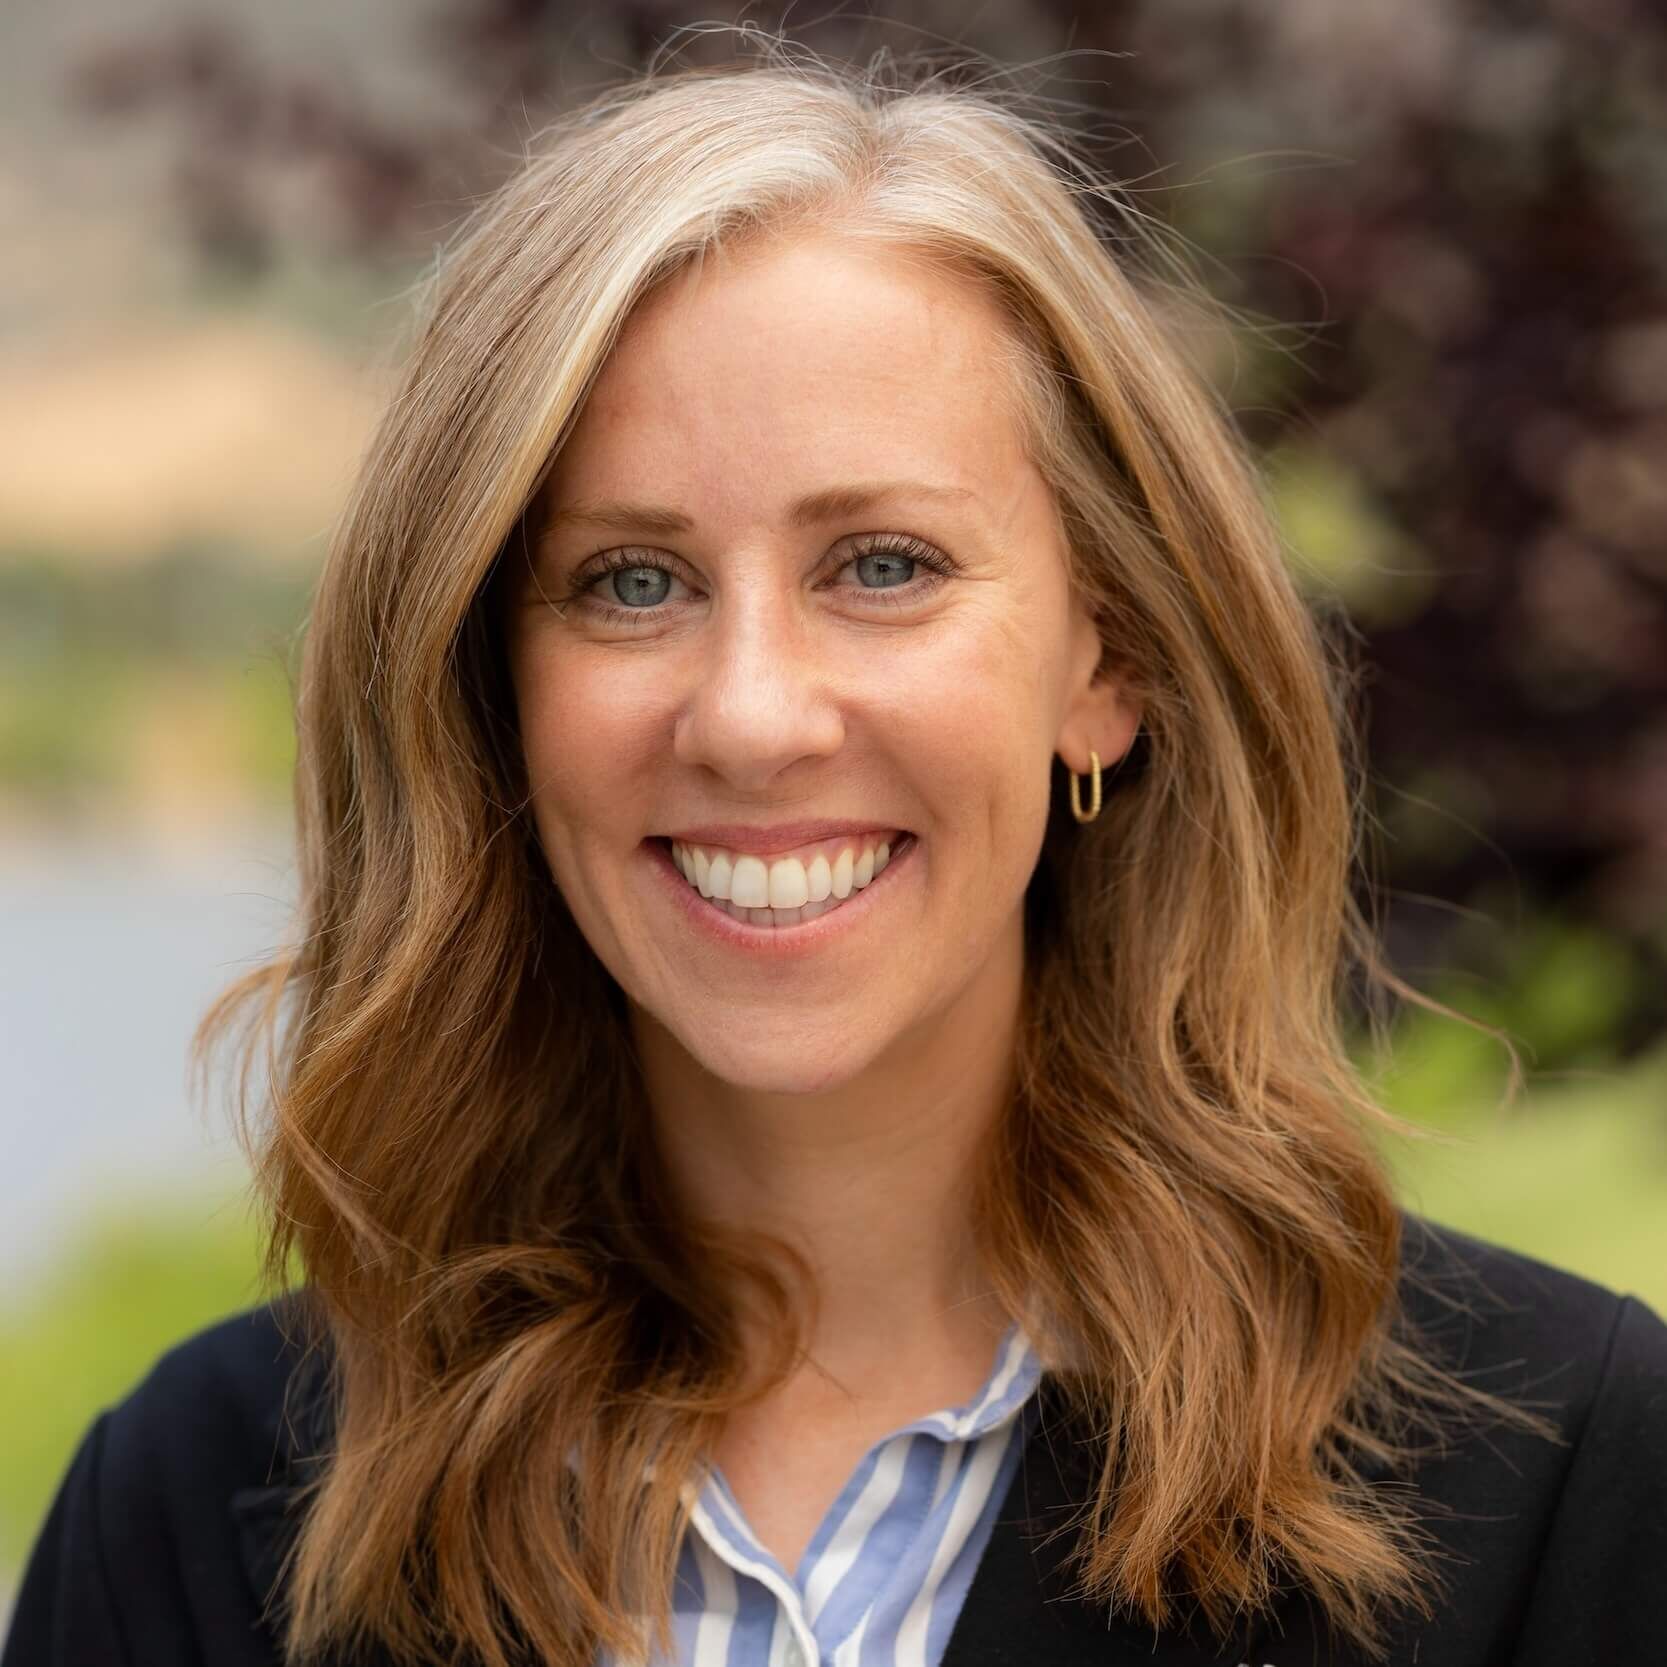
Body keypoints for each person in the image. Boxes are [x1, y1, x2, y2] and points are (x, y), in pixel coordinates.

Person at [6, 37, 1665, 1667]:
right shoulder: (187, 1526)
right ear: (490, 689)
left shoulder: (1564, 1482)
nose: (752, 716)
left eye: (882, 565)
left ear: (1107, 662)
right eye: (631, 582)